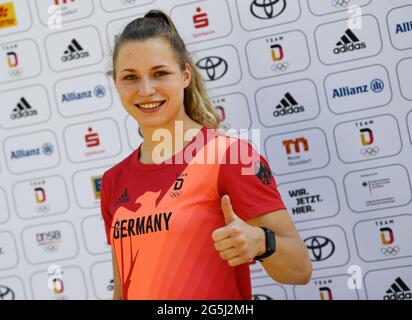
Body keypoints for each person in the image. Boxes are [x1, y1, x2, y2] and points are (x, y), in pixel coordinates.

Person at [100, 9, 312, 300]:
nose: (146, 89)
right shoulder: (114, 181)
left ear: (185, 75)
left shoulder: (230, 157)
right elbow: (124, 291)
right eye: (130, 77)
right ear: (116, 84)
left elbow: (300, 269)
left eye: (160, 73)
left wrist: (262, 242)